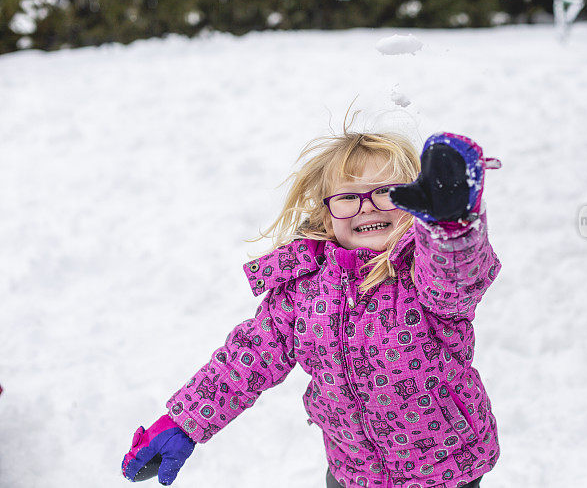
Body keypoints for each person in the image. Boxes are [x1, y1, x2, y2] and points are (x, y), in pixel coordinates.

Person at [121, 128, 502, 488]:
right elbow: (248, 358)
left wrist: (451, 226)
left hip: (446, 471)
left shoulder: (425, 273)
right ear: (326, 214)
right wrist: (184, 420)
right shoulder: (303, 289)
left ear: (415, 201)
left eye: (387, 192)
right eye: (348, 197)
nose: (366, 207)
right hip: (352, 472)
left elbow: (459, 273)